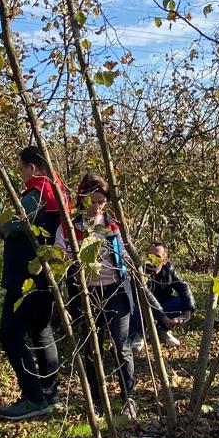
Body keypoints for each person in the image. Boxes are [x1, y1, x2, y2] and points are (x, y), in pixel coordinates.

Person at [0, 146, 67, 421]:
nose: (20, 173)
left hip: (26, 277)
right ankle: (50, 393)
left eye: (21, 167)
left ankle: (33, 397)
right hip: (48, 274)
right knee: (41, 331)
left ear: (33, 167)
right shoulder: (58, 190)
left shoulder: (36, 193)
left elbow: (9, 225)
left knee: (10, 334)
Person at [65, 173, 138, 418]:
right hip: (86, 294)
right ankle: (96, 401)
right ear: (82, 199)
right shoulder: (70, 225)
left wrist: (135, 266)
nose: (97, 207)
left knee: (121, 345)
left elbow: (125, 253)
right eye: (93, 201)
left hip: (115, 289)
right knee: (92, 348)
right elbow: (59, 254)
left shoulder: (113, 224)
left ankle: (129, 398)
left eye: (101, 202)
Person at [134, 241, 195, 349]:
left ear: (165, 260)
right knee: (139, 309)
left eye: (157, 257)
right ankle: (139, 333)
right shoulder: (141, 272)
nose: (152, 260)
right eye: (150, 256)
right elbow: (147, 297)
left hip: (163, 305)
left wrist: (188, 312)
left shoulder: (169, 270)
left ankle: (163, 331)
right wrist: (164, 318)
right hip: (142, 308)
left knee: (181, 302)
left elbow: (183, 287)